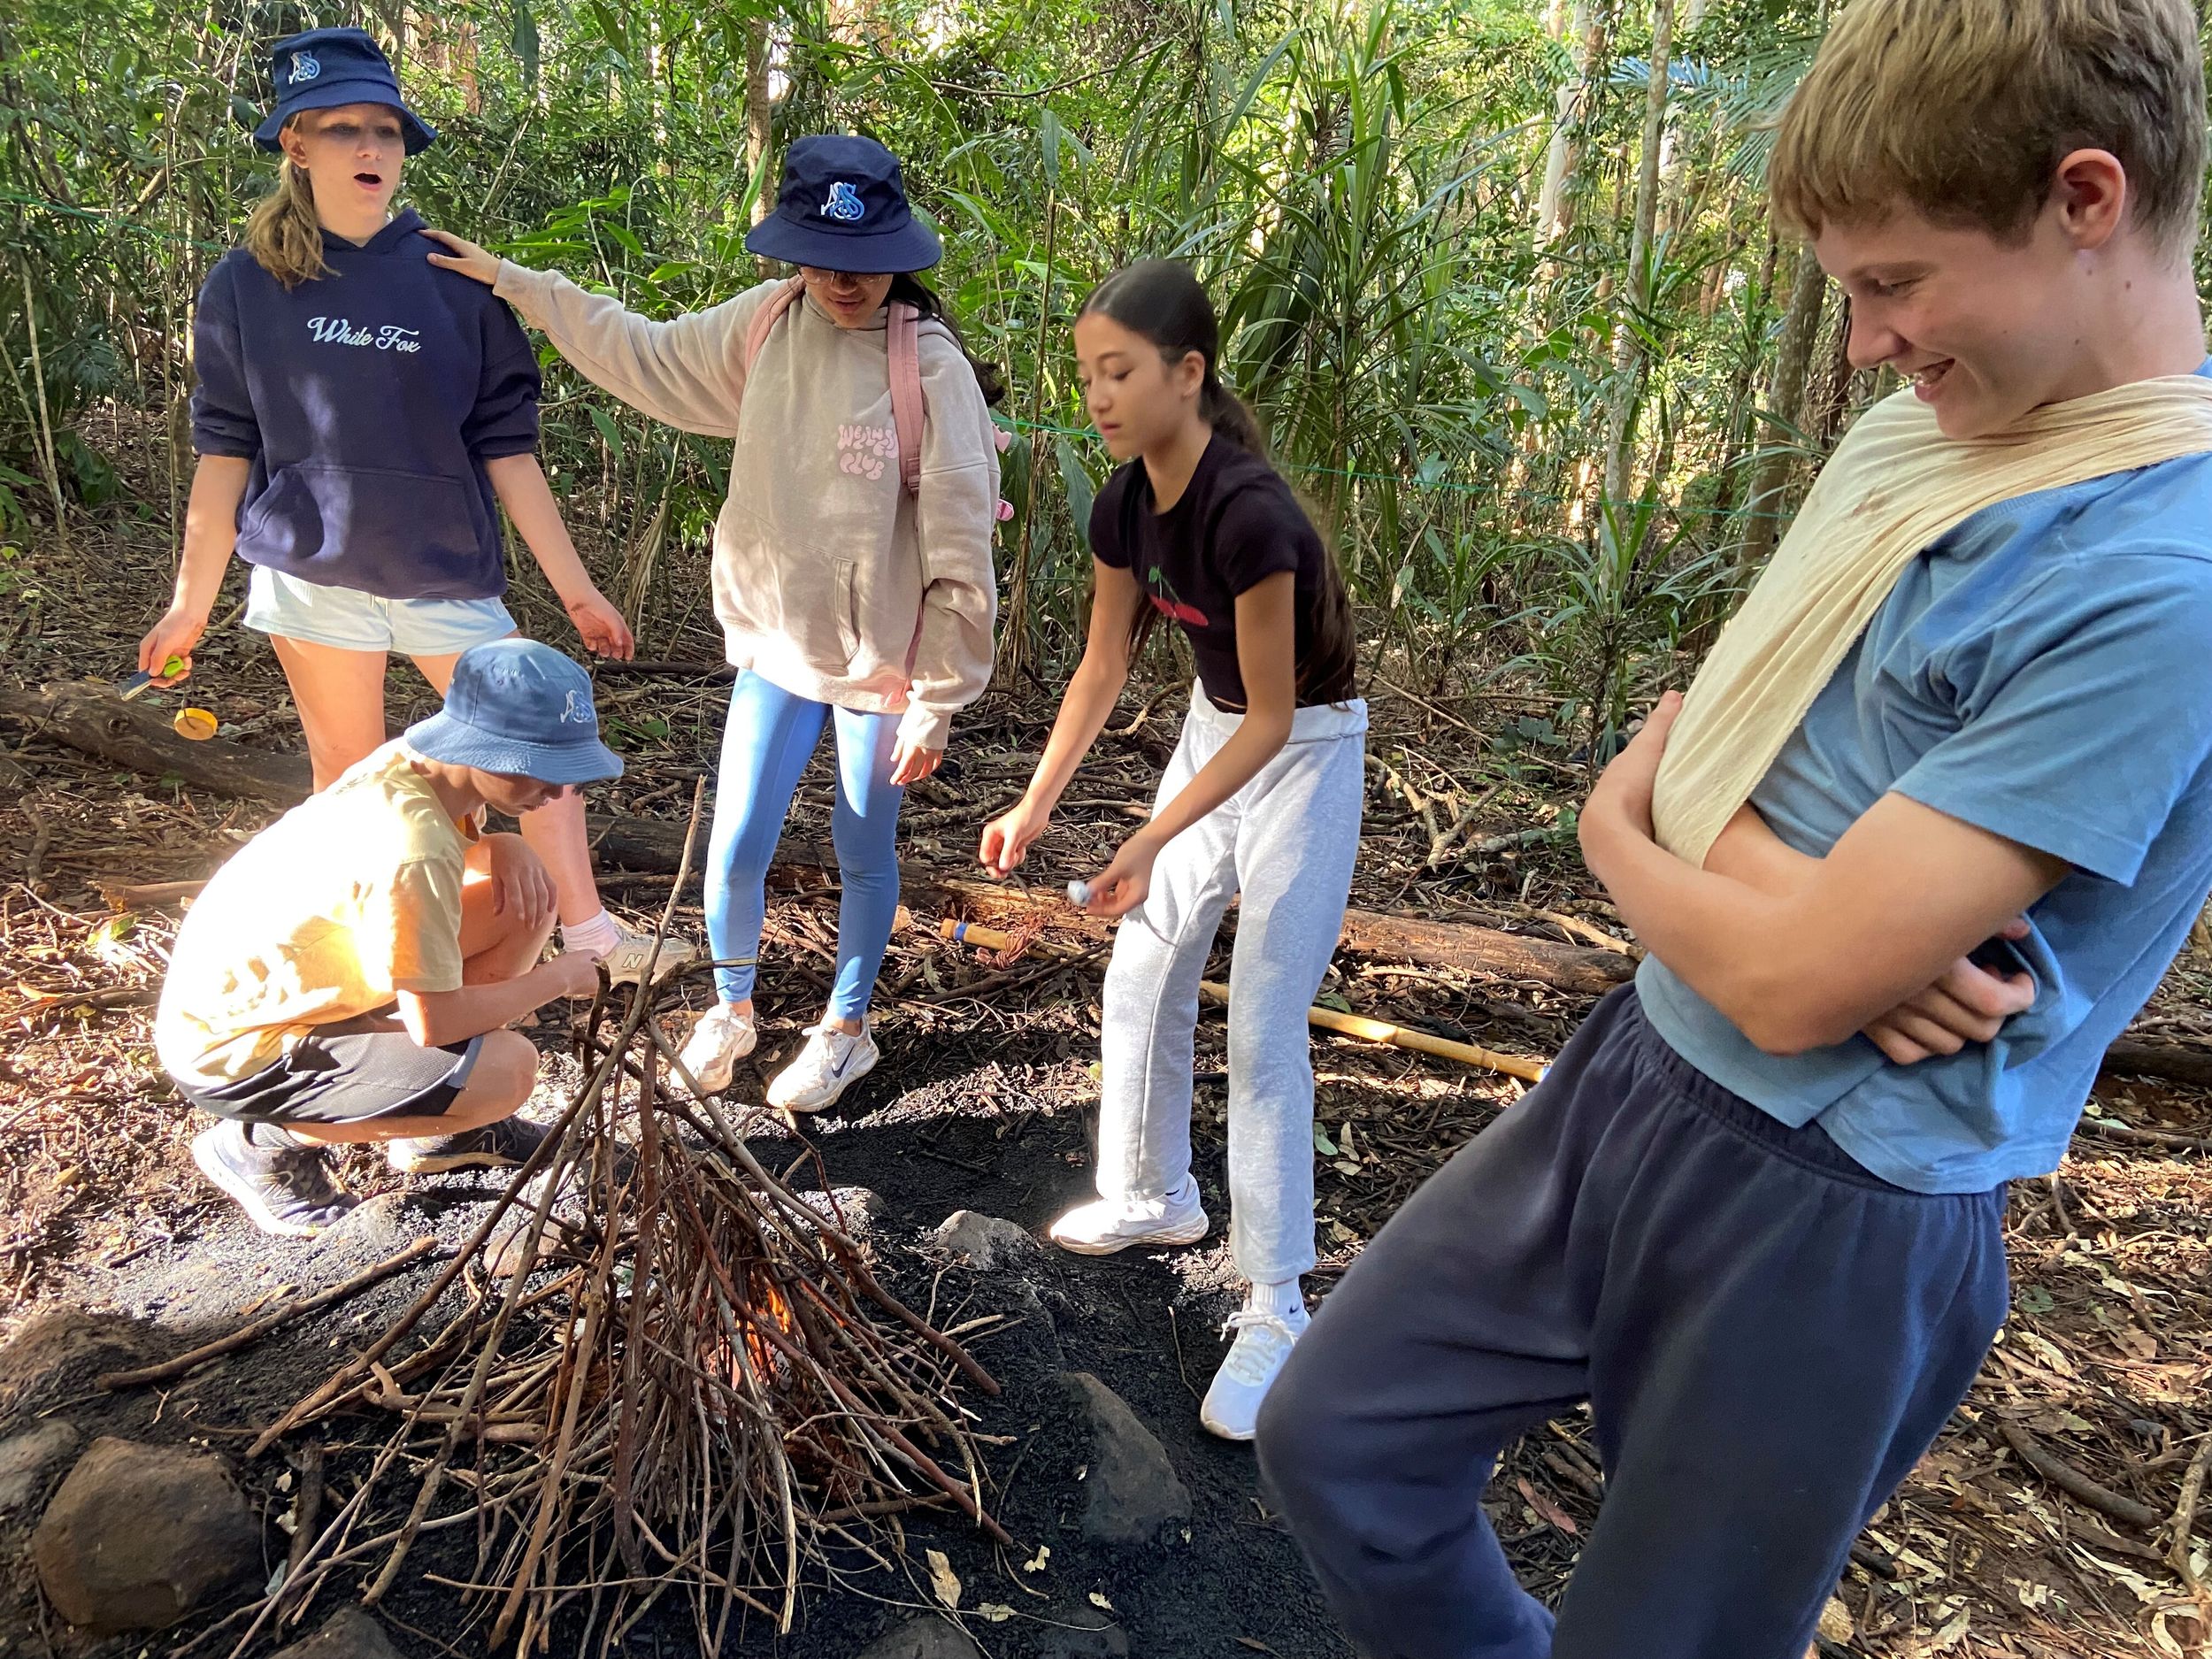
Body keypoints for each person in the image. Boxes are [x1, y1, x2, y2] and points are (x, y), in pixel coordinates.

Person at [1254, 3, 2212, 1655]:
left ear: (2085, 199)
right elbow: (1727, 749)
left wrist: (1620, 837)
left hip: (1836, 1201)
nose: (1865, 345)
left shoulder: (2154, 576)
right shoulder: (1932, 440)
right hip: (1638, 1069)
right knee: (1341, 1438)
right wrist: (1777, 894)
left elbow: (1782, 976)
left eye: (1894, 282)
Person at [421, 134, 1004, 1113]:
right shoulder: (767, 323)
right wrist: (518, 284)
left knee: (862, 848)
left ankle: (846, 1030)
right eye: (821, 258)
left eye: (863, 262)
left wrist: (937, 699)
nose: (843, 282)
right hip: (776, 646)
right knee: (734, 846)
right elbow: (641, 349)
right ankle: (733, 1008)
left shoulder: (928, 366)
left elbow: (960, 548)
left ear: (897, 253)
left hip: (882, 665)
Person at [138, 27, 682, 987]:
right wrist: (191, 603)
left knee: (536, 756)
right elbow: (224, 449)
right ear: (296, 143)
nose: (370, 149)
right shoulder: (245, 284)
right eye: (342, 129)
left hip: (444, 572)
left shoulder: (452, 279)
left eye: (386, 130)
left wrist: (579, 593)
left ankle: (594, 941)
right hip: (313, 575)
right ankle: (362, 973)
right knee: (349, 783)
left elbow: (508, 450)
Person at [978, 260, 1363, 1441]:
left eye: (1120, 371)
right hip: (1215, 730)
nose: (1097, 394)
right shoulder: (1122, 505)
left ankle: (1276, 1300)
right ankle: (1151, 1192)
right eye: (1087, 373)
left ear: (1188, 374)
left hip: (1304, 749)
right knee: (1143, 967)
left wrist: (1151, 835)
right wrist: (1037, 802)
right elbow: (1103, 665)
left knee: (1263, 1022)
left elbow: (1274, 716)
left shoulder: (1253, 516)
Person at [157, 640, 625, 1238]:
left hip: (299, 981)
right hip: (234, 1049)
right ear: (483, 750)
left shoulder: (419, 767)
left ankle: (443, 1121)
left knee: (525, 900)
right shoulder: (414, 845)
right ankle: (259, 1143)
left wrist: (501, 844)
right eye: (543, 770)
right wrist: (558, 977)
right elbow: (435, 1022)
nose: (558, 794)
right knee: (508, 1071)